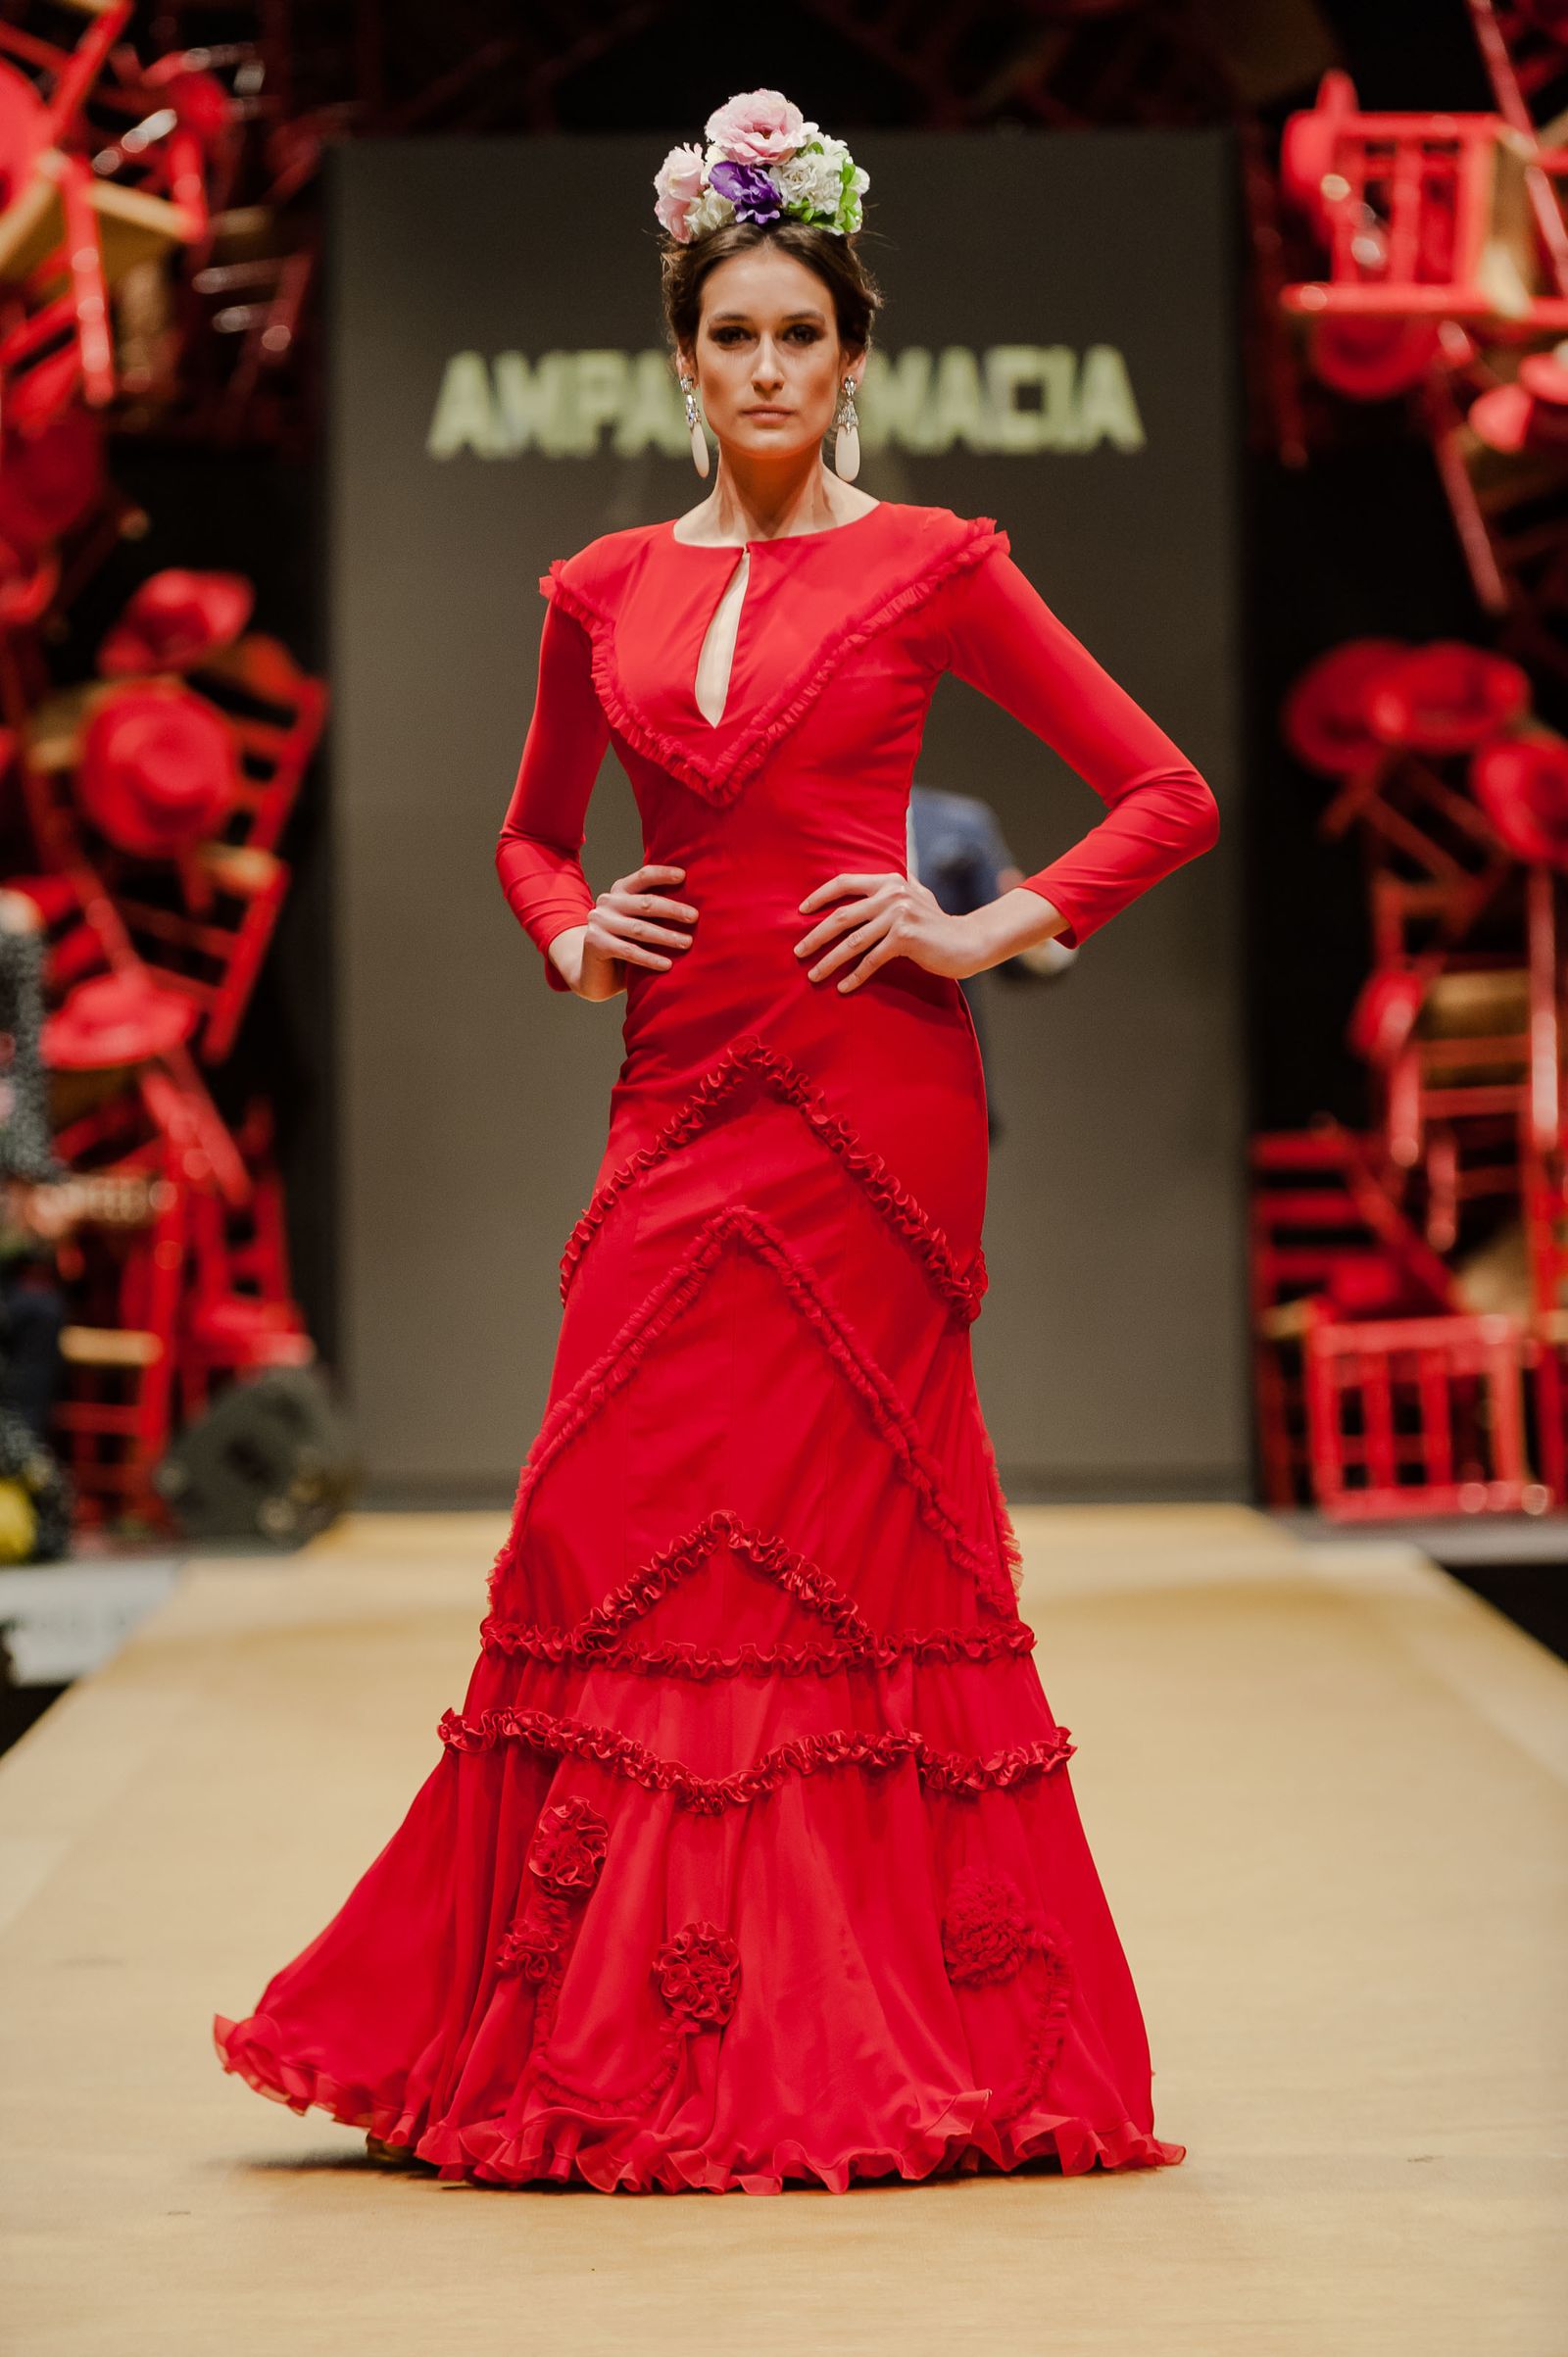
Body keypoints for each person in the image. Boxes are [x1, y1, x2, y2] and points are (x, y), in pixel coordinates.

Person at [213, 89, 1219, 2192]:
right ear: (681, 355)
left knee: (850, 1569)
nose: (764, 368)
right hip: (675, 1091)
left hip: (873, 1110)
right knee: (613, 1520)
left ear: (853, 352)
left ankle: (862, 2039)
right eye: (730, 334)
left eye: (798, 333)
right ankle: (588, 2017)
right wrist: (573, 928)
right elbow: (518, 829)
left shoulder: (938, 563)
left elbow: (1162, 789)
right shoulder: (595, 584)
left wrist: (975, 921)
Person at [906, 781, 1078, 1143]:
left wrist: (1038, 920)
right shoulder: (808, 811)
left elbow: (1013, 957)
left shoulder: (958, 822)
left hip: (944, 1074)